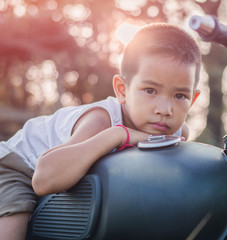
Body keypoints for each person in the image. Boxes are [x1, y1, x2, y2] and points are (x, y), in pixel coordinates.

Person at [0, 22, 201, 240]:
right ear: (122, 90)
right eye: (150, 90)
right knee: (14, 224)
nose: (165, 110)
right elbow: (42, 180)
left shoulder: (177, 132)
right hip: (17, 165)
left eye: (180, 96)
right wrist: (116, 135)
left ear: (193, 100)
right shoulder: (100, 121)